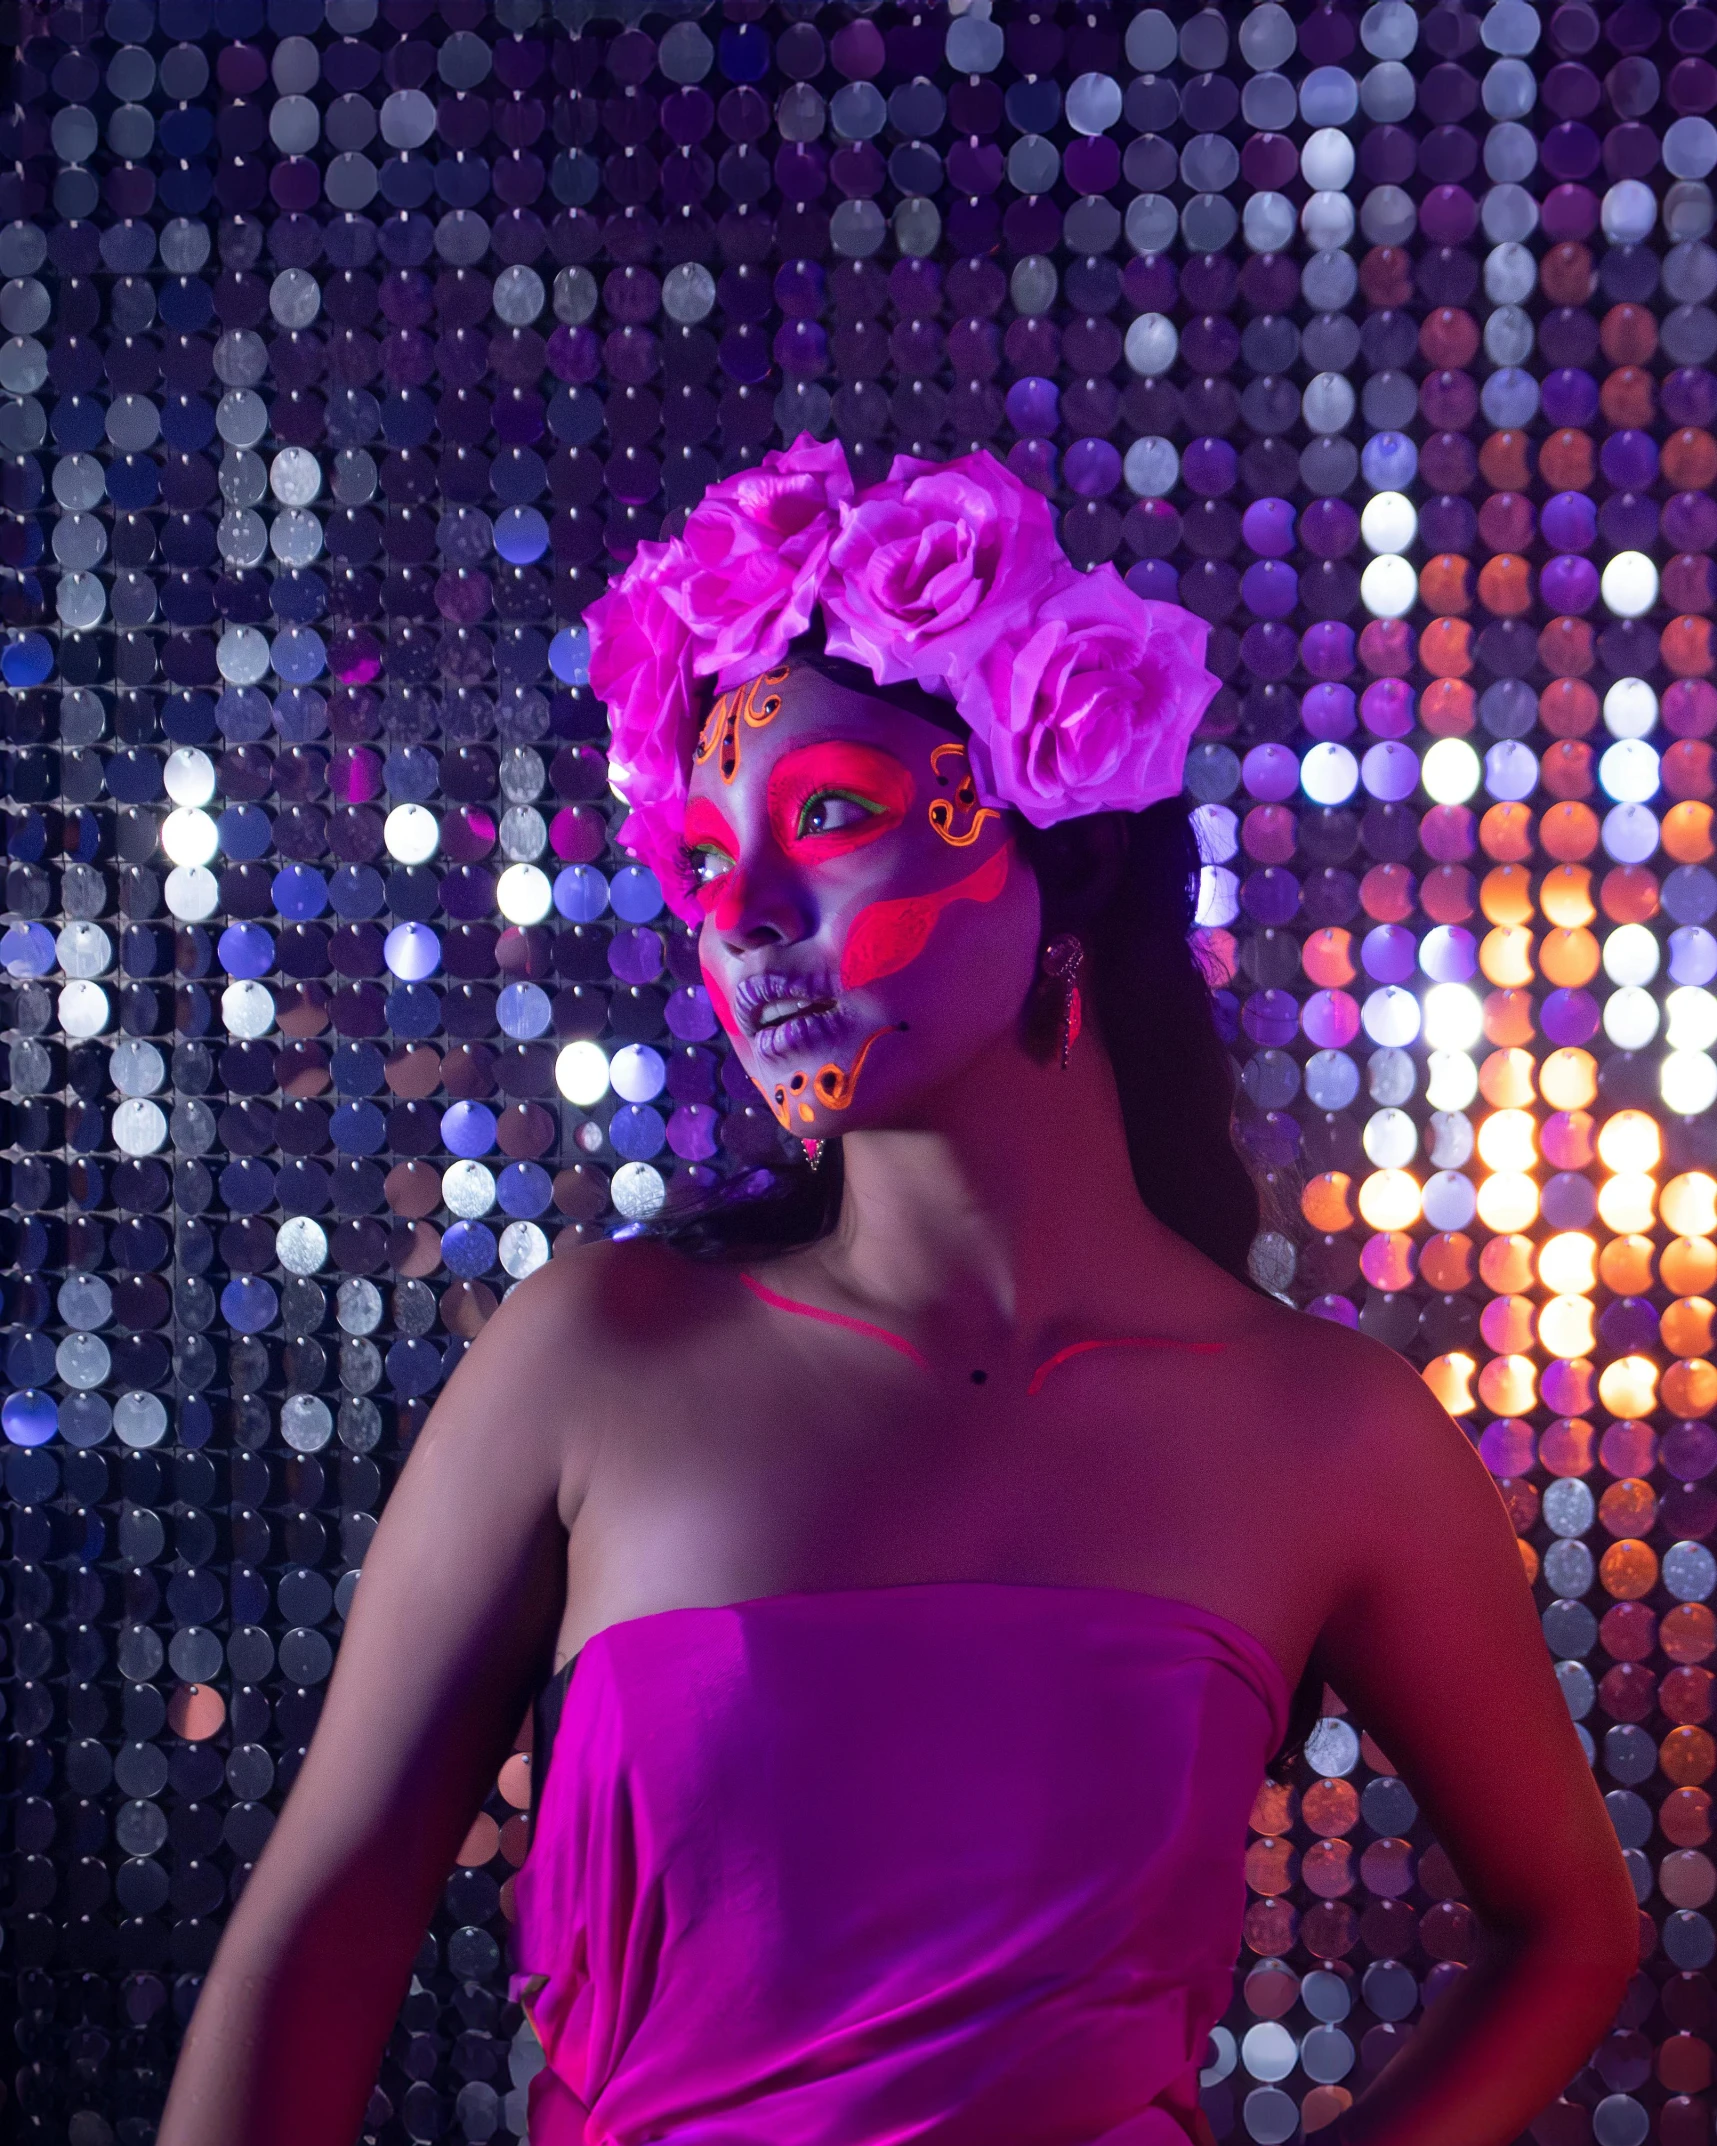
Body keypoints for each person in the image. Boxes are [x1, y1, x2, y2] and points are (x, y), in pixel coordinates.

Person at [160, 442, 1637, 2146]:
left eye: (833, 819)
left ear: (1052, 850)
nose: (747, 917)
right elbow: (318, 1933)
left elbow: (1571, 1927)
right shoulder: (597, 1359)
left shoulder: (1323, 1431)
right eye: (706, 863)